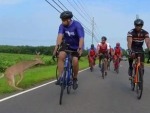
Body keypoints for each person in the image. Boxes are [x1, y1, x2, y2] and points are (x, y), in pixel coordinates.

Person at [52, 11, 84, 89]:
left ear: (69, 19)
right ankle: (61, 77)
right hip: (67, 45)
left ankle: (75, 78)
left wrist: (80, 48)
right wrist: (56, 48)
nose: (62, 21)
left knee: (75, 60)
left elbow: (81, 38)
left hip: (77, 46)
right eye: (61, 20)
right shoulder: (62, 26)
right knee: (61, 55)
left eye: (63, 20)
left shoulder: (77, 25)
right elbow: (59, 36)